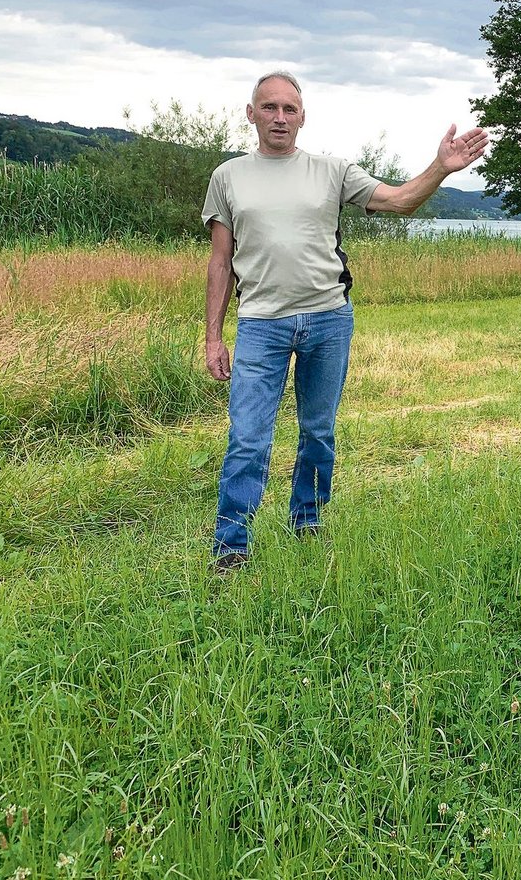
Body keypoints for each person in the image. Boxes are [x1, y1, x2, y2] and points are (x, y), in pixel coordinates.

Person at [203, 70, 488, 571]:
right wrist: (212, 336)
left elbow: (399, 201)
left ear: (303, 117)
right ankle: (232, 545)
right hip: (260, 325)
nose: (279, 118)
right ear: (251, 114)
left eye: (289, 109)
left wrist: (441, 167)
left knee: (317, 431)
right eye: (268, 108)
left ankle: (307, 522)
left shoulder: (331, 171)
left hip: (327, 320)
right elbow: (220, 262)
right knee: (248, 436)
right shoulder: (228, 177)